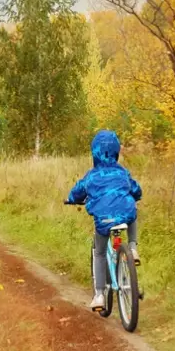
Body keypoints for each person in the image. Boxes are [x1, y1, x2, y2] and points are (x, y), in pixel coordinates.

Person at [65, 130, 142, 311]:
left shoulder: (91, 176)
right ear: (116, 151)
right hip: (125, 215)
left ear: (95, 153)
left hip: (104, 221)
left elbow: (77, 192)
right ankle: (132, 247)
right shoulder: (123, 173)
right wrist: (135, 195)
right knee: (131, 208)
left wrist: (71, 199)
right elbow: (136, 190)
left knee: (99, 253)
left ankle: (99, 294)